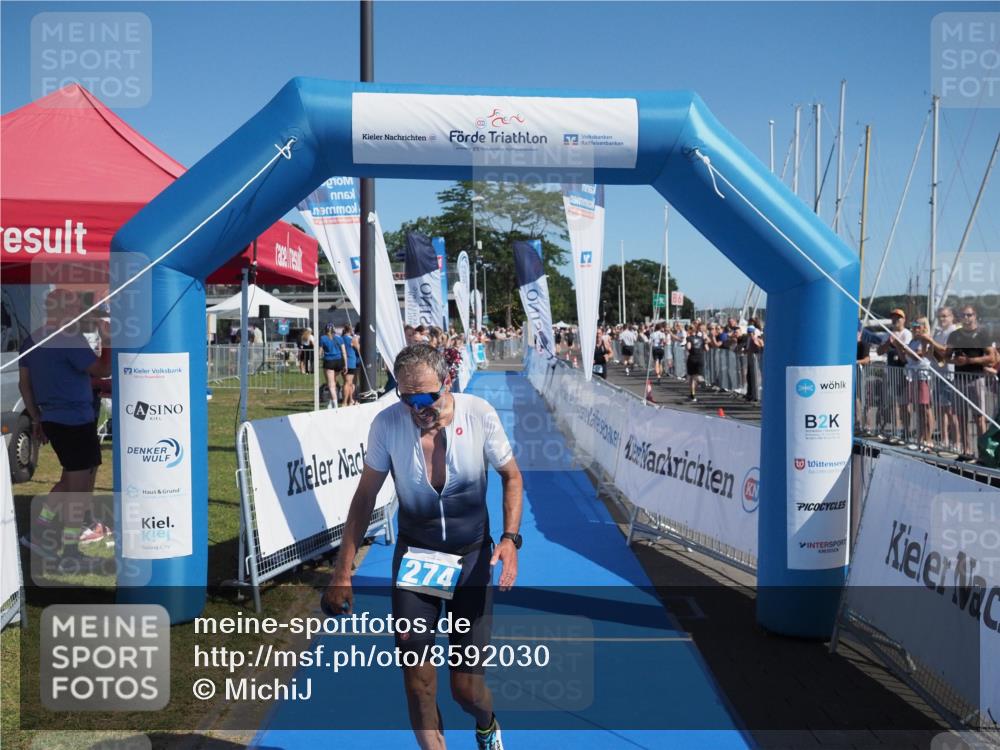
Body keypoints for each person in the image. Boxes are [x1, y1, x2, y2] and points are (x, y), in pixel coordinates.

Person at [324, 345, 522, 750]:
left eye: (426, 397)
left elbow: (512, 477)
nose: (418, 408)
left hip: (471, 560)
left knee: (466, 691)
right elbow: (365, 497)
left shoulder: (478, 414)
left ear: (447, 382)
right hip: (418, 561)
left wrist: (509, 539)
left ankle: (486, 724)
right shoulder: (387, 424)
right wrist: (342, 571)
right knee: (418, 683)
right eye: (407, 398)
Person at [18, 289, 111, 565]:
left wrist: (37, 418)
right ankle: (67, 547)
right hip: (75, 422)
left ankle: (39, 532)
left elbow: (25, 385)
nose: (79, 312)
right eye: (75, 307)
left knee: (70, 482)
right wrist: (107, 338)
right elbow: (102, 369)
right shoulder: (69, 338)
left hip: (56, 419)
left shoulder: (32, 339)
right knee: (77, 490)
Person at [946, 305, 996, 457]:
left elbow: (991, 357)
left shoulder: (983, 334)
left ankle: (982, 453)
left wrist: (969, 360)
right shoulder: (954, 335)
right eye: (963, 315)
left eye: (969, 315)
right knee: (961, 416)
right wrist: (956, 361)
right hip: (959, 378)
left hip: (976, 379)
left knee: (979, 417)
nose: (966, 318)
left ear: (975, 316)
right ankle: (966, 449)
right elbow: (946, 356)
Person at [921, 307, 961, 453]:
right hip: (938, 374)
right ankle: (944, 440)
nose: (941, 319)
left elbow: (945, 351)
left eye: (944, 316)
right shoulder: (938, 332)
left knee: (951, 411)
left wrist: (930, 340)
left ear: (952, 317)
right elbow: (928, 354)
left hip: (949, 375)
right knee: (941, 410)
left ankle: (957, 442)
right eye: (939, 316)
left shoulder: (953, 332)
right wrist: (924, 341)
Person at [877, 309, 913, 442]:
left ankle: (906, 430)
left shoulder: (907, 334)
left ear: (904, 320)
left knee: (904, 404)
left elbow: (906, 353)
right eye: (893, 317)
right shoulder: (888, 334)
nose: (896, 320)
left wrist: (897, 343)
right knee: (893, 403)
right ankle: (896, 430)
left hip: (904, 372)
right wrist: (888, 342)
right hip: (891, 372)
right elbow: (880, 351)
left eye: (898, 318)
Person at [319, 324, 347, 405]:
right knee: (334, 382)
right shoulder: (339, 338)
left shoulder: (323, 338)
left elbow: (320, 353)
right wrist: (346, 365)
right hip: (339, 362)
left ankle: (335, 404)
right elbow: (344, 352)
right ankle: (331, 403)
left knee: (331, 384)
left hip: (329, 362)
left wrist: (321, 355)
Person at [686, 322, 707, 402]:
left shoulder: (689, 338)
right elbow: (707, 348)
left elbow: (688, 347)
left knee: (692, 376)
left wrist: (687, 346)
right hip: (700, 358)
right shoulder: (701, 338)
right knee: (696, 376)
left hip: (692, 358)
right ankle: (692, 395)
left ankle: (701, 382)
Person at [341, 324, 359, 406]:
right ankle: (345, 402)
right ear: (350, 330)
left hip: (342, 362)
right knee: (349, 383)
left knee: (347, 382)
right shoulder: (351, 339)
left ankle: (350, 400)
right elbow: (359, 349)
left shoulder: (341, 338)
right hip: (351, 362)